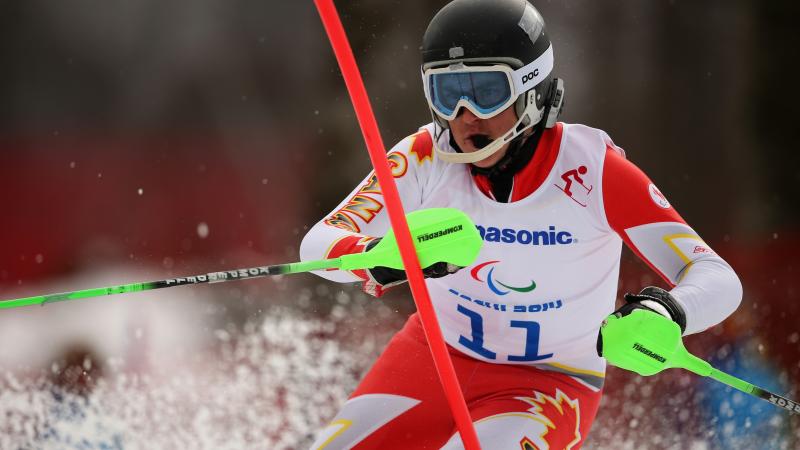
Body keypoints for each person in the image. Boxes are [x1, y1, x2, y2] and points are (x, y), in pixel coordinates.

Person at [301, 0, 743, 448]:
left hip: (550, 384)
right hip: (432, 358)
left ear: (532, 91)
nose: (465, 114)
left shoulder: (595, 172)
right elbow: (316, 246)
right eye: (446, 93)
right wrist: (375, 256)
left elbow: (716, 276)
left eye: (486, 92)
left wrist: (668, 312)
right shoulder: (422, 156)